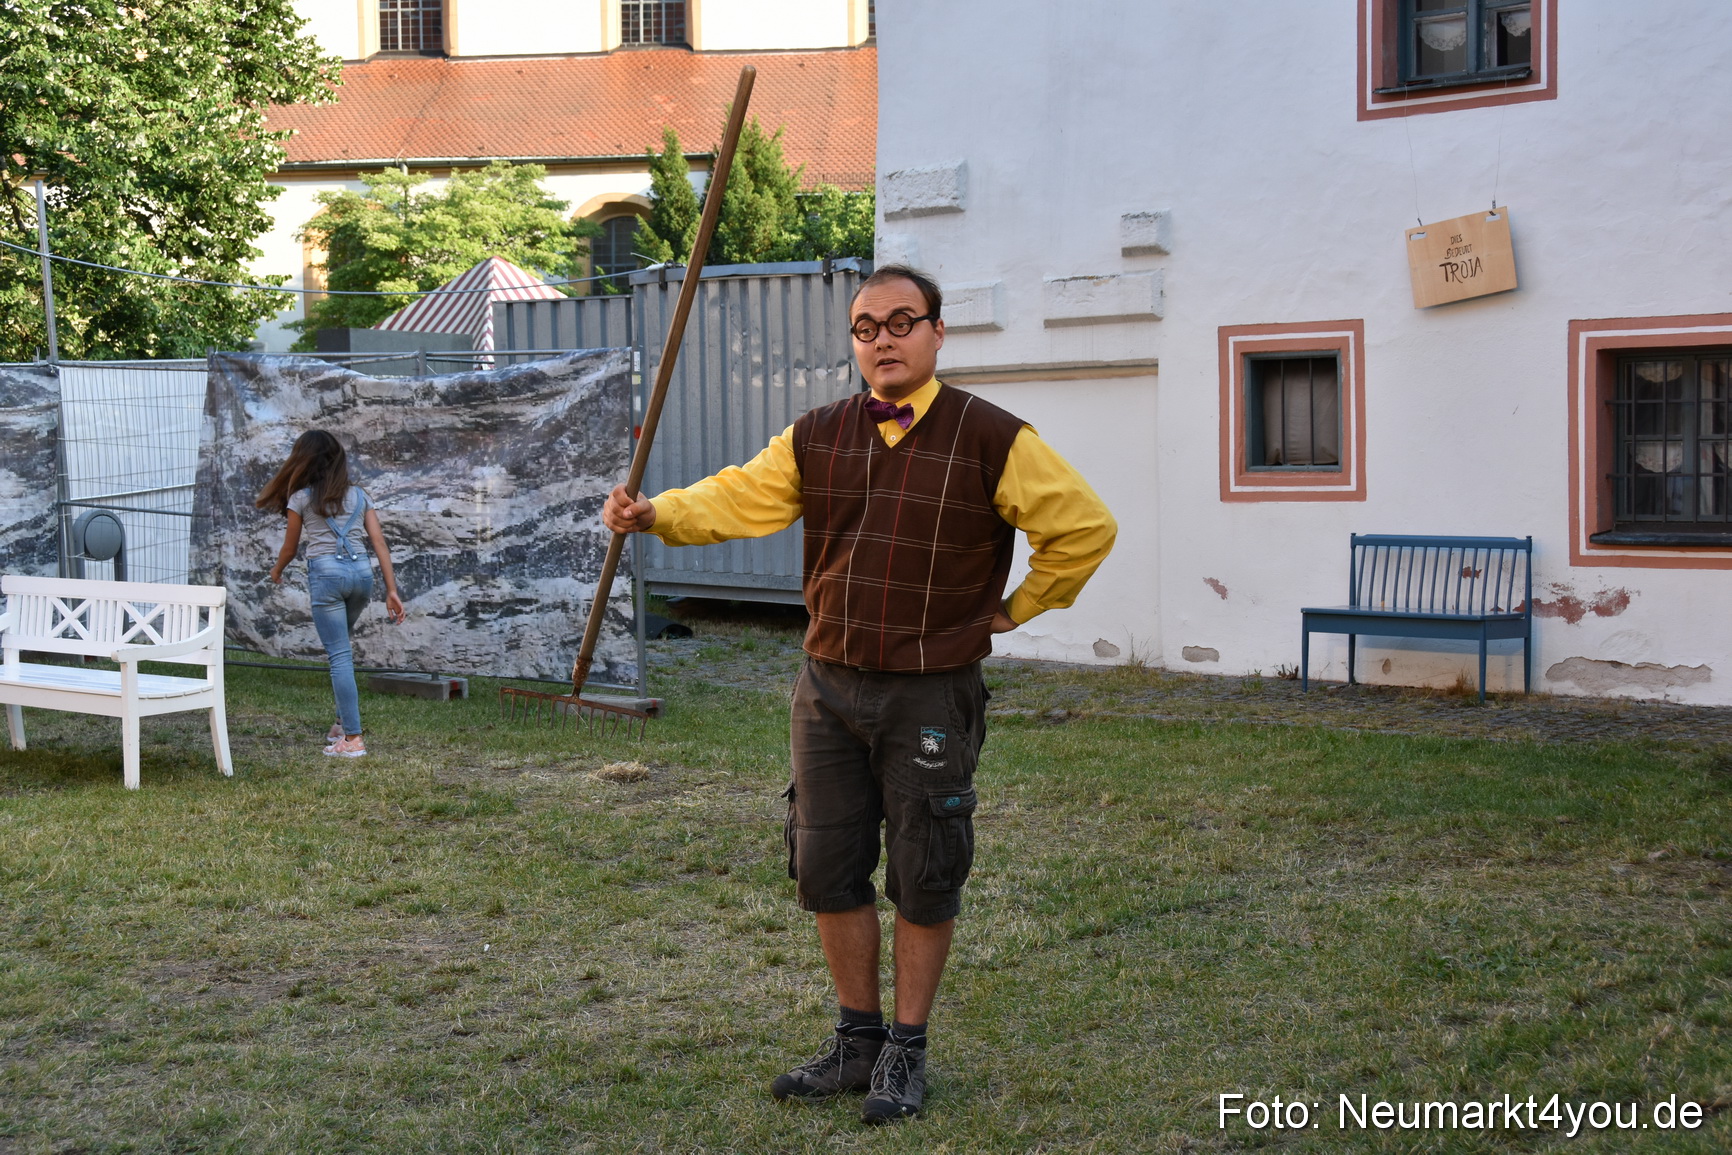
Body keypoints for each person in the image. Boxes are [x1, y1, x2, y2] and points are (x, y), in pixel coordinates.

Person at [602, 264, 1116, 1123]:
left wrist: (1014, 610)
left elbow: (1083, 527)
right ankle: (856, 1041)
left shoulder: (992, 436)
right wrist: (660, 515)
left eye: (901, 322)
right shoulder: (818, 434)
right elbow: (739, 497)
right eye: (866, 327)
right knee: (826, 865)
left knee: (924, 871)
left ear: (937, 332)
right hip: (828, 686)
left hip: (929, 694)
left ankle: (907, 1053)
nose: (883, 338)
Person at [256, 430, 406, 758]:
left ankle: (353, 739)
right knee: (343, 649)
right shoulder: (359, 496)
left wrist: (277, 570)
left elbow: (290, 547)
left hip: (327, 577)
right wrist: (391, 590)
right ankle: (340, 724)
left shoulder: (301, 499)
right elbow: (379, 543)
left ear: (303, 460)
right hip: (361, 578)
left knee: (339, 655)